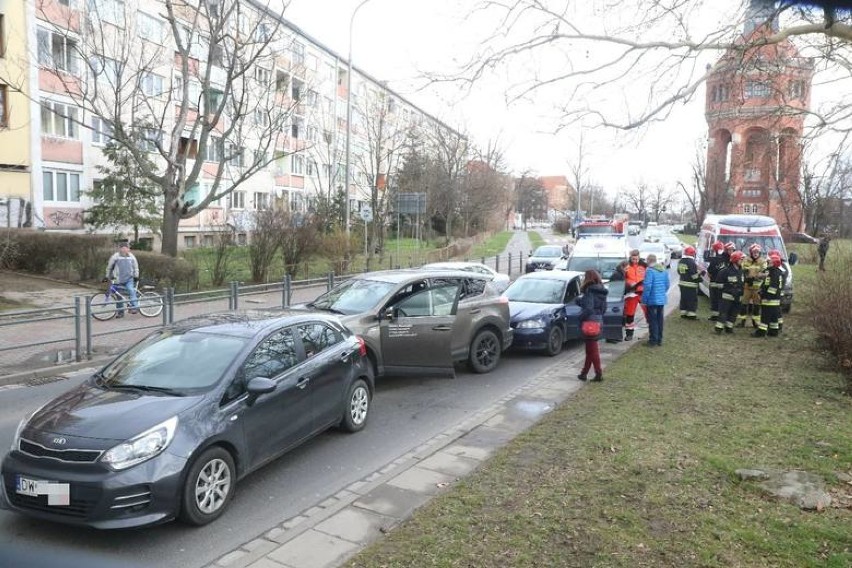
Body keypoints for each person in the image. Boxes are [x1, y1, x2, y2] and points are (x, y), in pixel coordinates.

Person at [575, 269, 608, 382]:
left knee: (592, 350)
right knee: (590, 350)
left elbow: (588, 308)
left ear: (588, 278)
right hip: (598, 320)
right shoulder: (601, 290)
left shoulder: (589, 291)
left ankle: (598, 374)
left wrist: (580, 317)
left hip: (590, 322)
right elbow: (603, 308)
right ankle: (584, 373)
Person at [753, 251, 785, 338]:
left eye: (770, 262)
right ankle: (773, 331)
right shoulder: (774, 271)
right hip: (774, 300)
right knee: (774, 317)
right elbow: (767, 283)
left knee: (765, 317)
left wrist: (766, 296)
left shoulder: (774, 273)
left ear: (774, 263)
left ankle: (761, 332)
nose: (768, 263)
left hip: (769, 300)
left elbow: (773, 287)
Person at [641, 253, 670, 347]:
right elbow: (667, 284)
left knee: (652, 320)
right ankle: (659, 340)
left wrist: (644, 299)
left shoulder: (650, 271)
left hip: (652, 300)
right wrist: (662, 293)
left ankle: (653, 340)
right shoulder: (663, 270)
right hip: (661, 299)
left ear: (649, 261)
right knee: (659, 319)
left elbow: (647, 286)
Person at [105, 241, 139, 317]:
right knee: (118, 296)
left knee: (131, 290)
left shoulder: (131, 257)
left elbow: (135, 267)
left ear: (128, 249)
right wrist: (107, 276)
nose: (124, 250)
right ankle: (120, 313)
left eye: (126, 248)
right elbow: (109, 267)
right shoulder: (115, 257)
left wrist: (136, 276)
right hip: (118, 279)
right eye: (123, 248)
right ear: (120, 249)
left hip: (129, 279)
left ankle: (135, 307)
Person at [714, 250, 745, 334]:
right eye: (741, 259)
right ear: (735, 260)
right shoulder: (724, 271)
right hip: (727, 297)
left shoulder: (741, 271)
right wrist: (730, 288)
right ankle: (719, 328)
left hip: (738, 298)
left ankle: (729, 328)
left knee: (733, 314)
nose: (742, 261)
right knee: (723, 313)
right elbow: (718, 285)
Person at [737, 243, 767, 328]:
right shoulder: (746, 260)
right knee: (743, 304)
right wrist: (752, 274)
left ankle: (756, 323)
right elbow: (744, 270)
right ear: (751, 252)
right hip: (747, 287)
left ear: (760, 252)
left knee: (757, 306)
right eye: (754, 251)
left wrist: (755, 275)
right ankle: (741, 322)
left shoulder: (763, 261)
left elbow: (764, 273)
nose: (755, 253)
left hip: (757, 288)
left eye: (757, 251)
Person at [623, 249, 646, 340]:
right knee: (629, 314)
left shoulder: (644, 265)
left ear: (639, 257)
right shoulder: (626, 266)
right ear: (630, 257)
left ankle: (652, 332)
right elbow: (622, 278)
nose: (635, 261)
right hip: (631, 293)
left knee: (648, 312)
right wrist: (629, 283)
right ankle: (629, 334)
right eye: (633, 259)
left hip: (643, 292)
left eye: (636, 259)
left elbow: (649, 276)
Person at [677, 246, 702, 319]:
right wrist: (700, 278)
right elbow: (694, 275)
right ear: (692, 254)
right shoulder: (691, 262)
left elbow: (679, 271)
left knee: (683, 298)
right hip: (690, 285)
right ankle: (691, 314)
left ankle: (683, 313)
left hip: (682, 283)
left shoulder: (681, 261)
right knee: (692, 299)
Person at [706, 241, 728, 321]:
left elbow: (709, 273)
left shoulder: (714, 260)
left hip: (714, 284)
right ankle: (721, 316)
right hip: (724, 285)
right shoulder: (727, 259)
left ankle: (715, 316)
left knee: (714, 300)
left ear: (715, 250)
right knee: (722, 300)